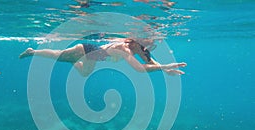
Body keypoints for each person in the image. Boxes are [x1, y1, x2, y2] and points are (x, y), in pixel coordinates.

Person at [19, 38, 187, 76]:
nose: (146, 50)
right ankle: (32, 52)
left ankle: (75, 62)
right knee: (59, 56)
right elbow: (141, 69)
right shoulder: (125, 49)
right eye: (144, 47)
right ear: (135, 42)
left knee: (84, 74)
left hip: (94, 56)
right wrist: (165, 67)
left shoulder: (138, 48)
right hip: (86, 50)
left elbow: (149, 60)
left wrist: (166, 70)